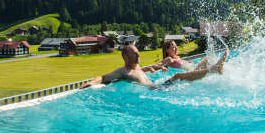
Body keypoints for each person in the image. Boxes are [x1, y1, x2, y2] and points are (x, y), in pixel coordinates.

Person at [80, 45, 228, 89]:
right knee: (177, 76)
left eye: (138, 53)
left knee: (178, 77)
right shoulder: (123, 71)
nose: (139, 56)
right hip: (154, 90)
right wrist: (90, 83)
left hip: (158, 87)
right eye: (135, 54)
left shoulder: (136, 69)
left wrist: (153, 69)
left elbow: (148, 70)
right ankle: (213, 70)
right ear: (125, 57)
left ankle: (213, 69)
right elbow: (103, 77)